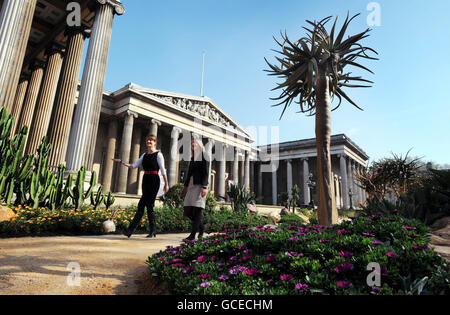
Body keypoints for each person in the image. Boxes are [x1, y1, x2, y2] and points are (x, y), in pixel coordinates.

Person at [113, 135, 169, 238]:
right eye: (148, 140)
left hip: (154, 180)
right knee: (145, 206)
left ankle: (132, 230)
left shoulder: (159, 155)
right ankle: (151, 230)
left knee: (146, 205)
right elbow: (134, 166)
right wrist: (121, 162)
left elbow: (163, 169)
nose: (149, 142)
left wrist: (166, 184)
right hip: (146, 179)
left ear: (155, 142)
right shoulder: (144, 155)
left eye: (151, 140)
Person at [180, 135, 210, 241]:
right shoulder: (193, 158)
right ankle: (201, 227)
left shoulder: (205, 155)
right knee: (187, 210)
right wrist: (184, 187)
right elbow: (188, 174)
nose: (193, 144)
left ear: (200, 145)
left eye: (195, 143)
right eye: (192, 143)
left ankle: (192, 236)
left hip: (200, 185)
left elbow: (206, 172)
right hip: (191, 186)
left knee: (197, 210)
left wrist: (205, 187)